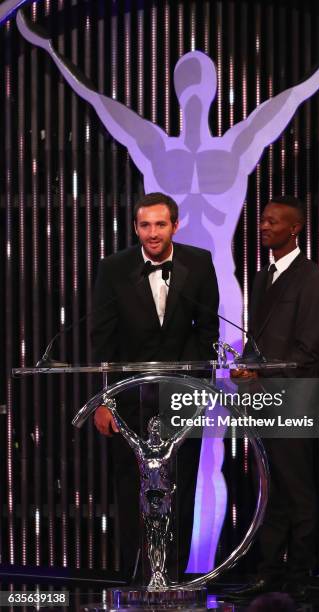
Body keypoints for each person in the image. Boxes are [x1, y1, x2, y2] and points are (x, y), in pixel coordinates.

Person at [17, 7, 319, 346]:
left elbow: (294, 96)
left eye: (199, 78)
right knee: (171, 383)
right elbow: (95, 99)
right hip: (167, 284)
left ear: (212, 87)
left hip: (220, 276)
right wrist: (49, 50)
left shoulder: (234, 147)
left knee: (228, 381)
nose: (194, 87)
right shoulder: (156, 147)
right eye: (188, 79)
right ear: (176, 87)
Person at [90, 192, 219, 580]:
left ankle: (174, 581)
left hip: (181, 397)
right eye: (145, 225)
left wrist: (195, 390)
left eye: (160, 224)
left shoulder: (199, 263)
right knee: (133, 492)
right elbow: (103, 341)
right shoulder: (114, 269)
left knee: (180, 488)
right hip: (130, 401)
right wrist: (105, 401)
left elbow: (208, 330)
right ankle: (138, 579)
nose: (152, 233)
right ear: (135, 228)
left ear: (175, 226)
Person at [233, 195, 319, 598]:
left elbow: (307, 351)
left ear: (296, 228)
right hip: (263, 400)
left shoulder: (312, 278)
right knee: (270, 487)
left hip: (295, 398)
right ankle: (270, 571)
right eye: (262, 222)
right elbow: (257, 341)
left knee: (298, 488)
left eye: (273, 222)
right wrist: (243, 365)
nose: (264, 228)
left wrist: (261, 370)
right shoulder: (261, 278)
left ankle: (301, 575)